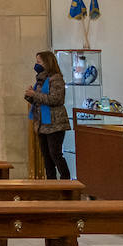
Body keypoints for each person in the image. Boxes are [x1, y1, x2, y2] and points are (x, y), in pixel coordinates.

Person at [25, 50, 71, 180]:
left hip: (55, 123)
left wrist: (35, 94)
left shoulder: (56, 78)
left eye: (39, 62)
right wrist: (30, 95)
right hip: (42, 123)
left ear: (47, 62)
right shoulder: (40, 80)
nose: (36, 64)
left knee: (55, 154)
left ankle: (66, 180)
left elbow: (56, 99)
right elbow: (39, 100)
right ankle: (51, 182)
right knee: (46, 156)